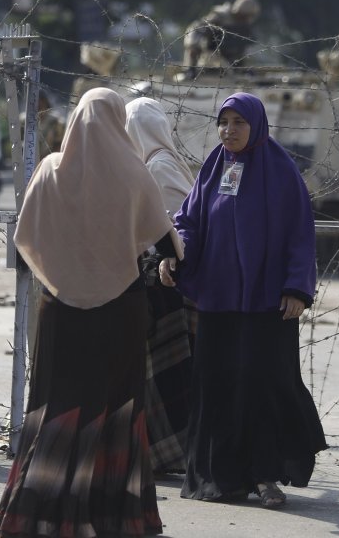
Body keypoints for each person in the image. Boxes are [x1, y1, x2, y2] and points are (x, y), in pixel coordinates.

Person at [0, 88, 183, 537]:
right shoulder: (135, 174)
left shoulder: (49, 171)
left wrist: (64, 271)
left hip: (60, 311)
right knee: (116, 410)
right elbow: (168, 245)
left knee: (57, 407)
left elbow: (25, 239)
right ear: (118, 123)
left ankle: (37, 510)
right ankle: (114, 515)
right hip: (121, 313)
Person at [161, 92, 326, 509]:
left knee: (263, 385)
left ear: (256, 126)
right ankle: (219, 478)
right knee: (218, 385)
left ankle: (266, 476)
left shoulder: (281, 172)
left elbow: (299, 235)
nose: (228, 130)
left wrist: (296, 288)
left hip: (269, 303)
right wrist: (175, 256)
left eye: (238, 123)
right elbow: (192, 221)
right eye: (223, 122)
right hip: (219, 300)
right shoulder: (216, 167)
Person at [125, 97, 196, 475]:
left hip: (166, 283)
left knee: (169, 375)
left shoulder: (159, 166)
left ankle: (172, 453)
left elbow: (173, 230)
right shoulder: (153, 163)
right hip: (161, 280)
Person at [183, 0, 261, 74]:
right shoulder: (221, 16)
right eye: (243, 16)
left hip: (229, 56)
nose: (244, 19)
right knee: (194, 43)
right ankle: (190, 70)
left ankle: (241, 71)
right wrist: (195, 45)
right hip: (211, 51)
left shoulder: (245, 25)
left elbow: (246, 45)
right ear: (238, 12)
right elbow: (199, 29)